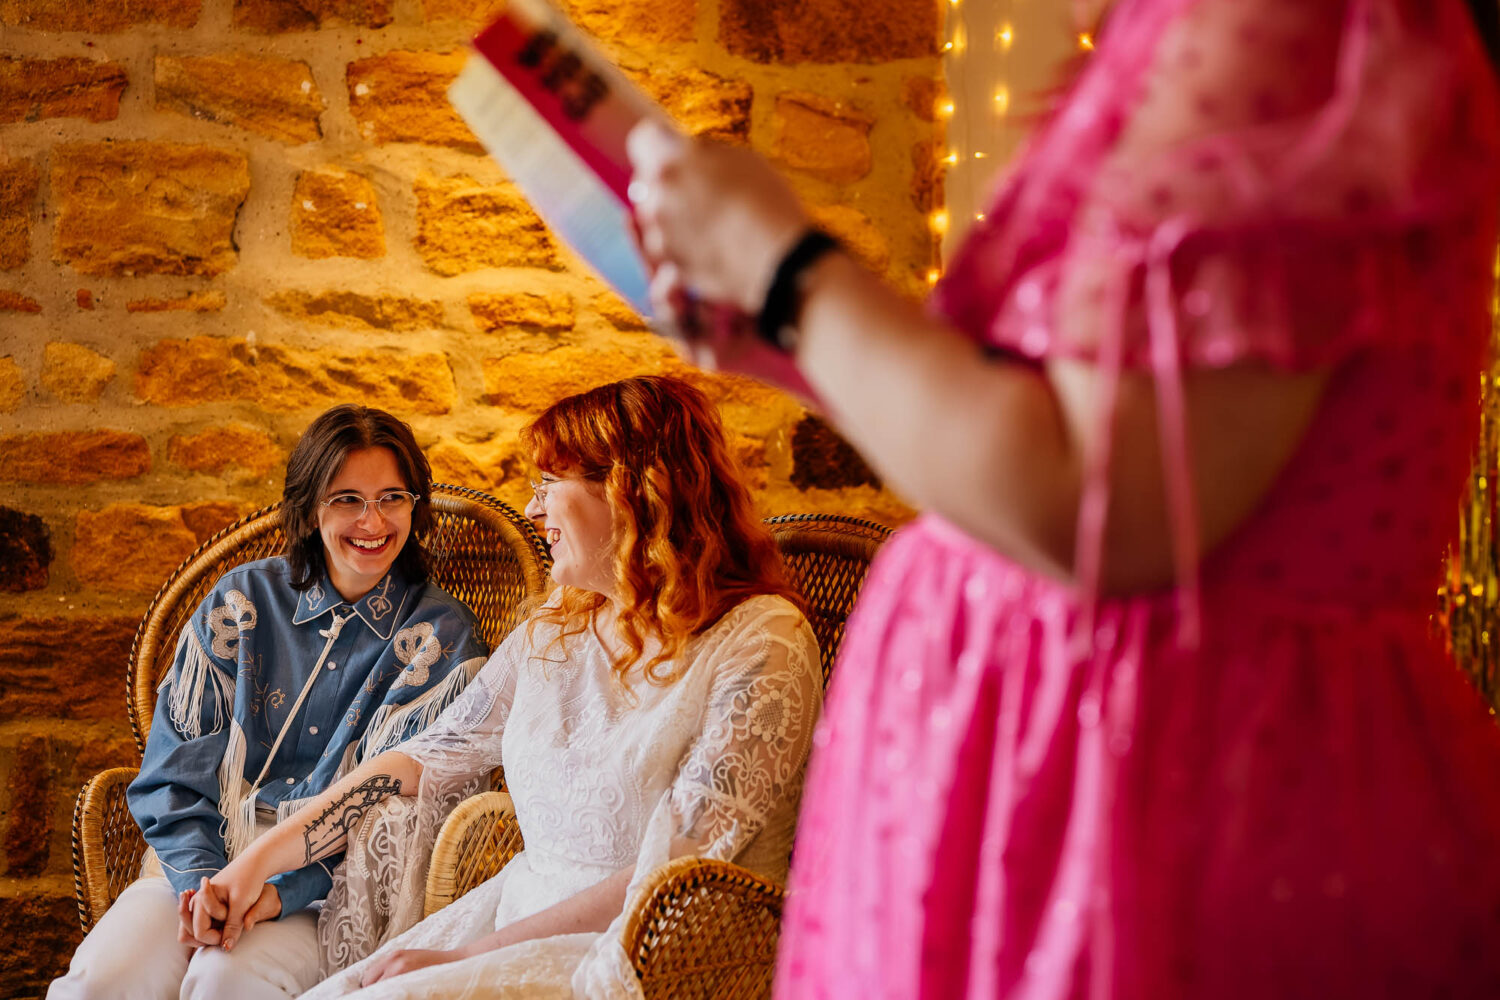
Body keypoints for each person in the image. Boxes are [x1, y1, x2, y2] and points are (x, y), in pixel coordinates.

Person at [627, 0, 1500, 996]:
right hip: (1059, 796)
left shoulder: (1277, 22)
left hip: (1159, 814)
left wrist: (784, 269)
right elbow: (1043, 428)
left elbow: (1105, 496)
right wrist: (789, 333)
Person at [188, 375, 822, 999]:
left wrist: (462, 960)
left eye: (549, 484)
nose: (532, 508)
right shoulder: (559, 628)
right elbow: (420, 758)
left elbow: (675, 870)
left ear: (633, 490)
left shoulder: (761, 640)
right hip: (514, 917)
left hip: (653, 955)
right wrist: (256, 863)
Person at [49, 404, 489, 1000]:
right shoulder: (241, 601)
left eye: (392, 497)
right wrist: (208, 886)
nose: (373, 520)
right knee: (102, 981)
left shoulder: (441, 637)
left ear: (416, 505)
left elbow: (400, 816)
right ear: (310, 509)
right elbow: (176, 769)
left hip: (328, 892)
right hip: (197, 860)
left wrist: (279, 891)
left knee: (225, 981)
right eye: (347, 499)